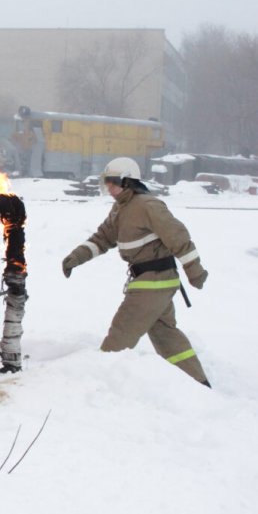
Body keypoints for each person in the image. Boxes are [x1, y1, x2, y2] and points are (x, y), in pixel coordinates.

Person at [62, 157, 211, 386]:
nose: (109, 187)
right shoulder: (120, 209)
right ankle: (197, 383)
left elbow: (177, 237)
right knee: (165, 335)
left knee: (121, 333)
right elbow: (103, 238)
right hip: (149, 281)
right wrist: (76, 257)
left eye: (112, 182)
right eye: (106, 182)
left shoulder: (148, 205)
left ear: (127, 181)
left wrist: (195, 271)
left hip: (154, 281)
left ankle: (99, 385)